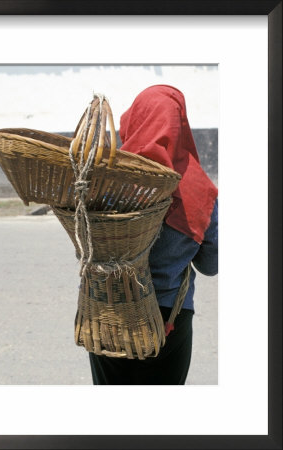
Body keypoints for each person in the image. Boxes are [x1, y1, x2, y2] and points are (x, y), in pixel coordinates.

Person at [88, 85, 218, 385]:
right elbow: (211, 266)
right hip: (169, 316)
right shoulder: (201, 190)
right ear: (180, 124)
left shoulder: (106, 180)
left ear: (134, 120)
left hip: (108, 310)